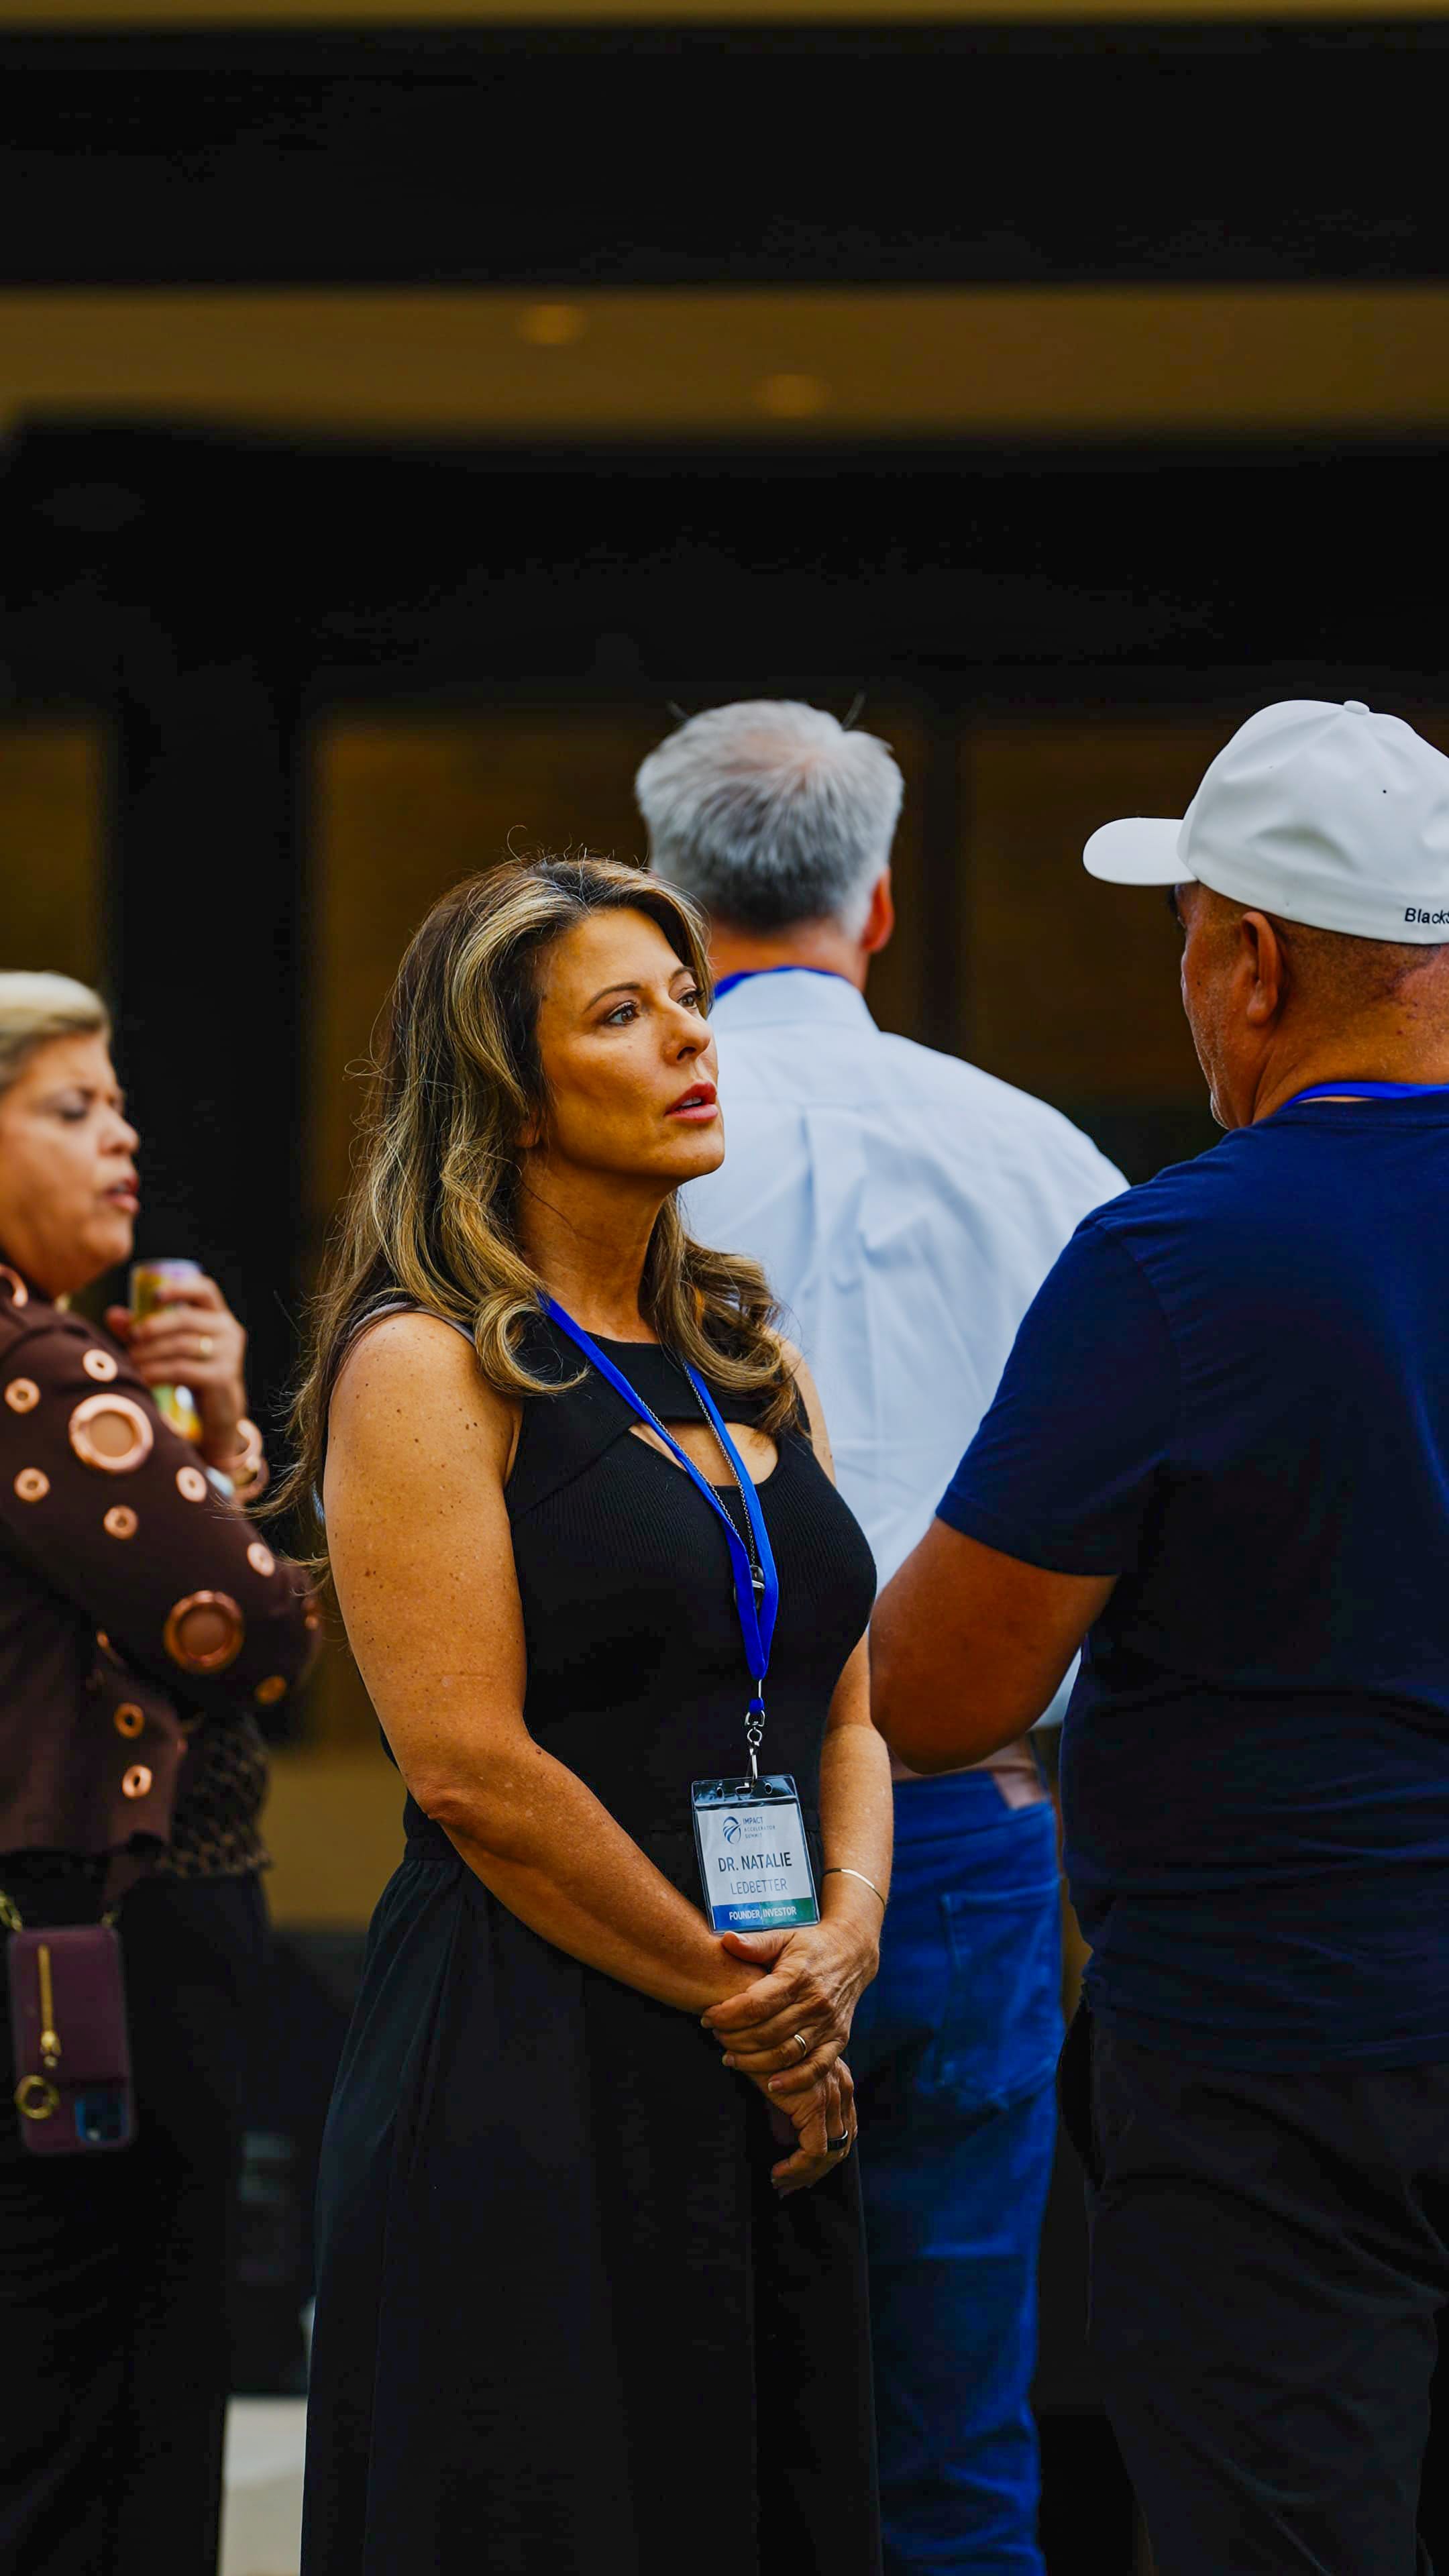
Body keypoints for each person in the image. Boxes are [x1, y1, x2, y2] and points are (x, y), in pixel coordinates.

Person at [873, 697, 1449, 2576]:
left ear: (1255, 962)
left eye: (1189, 940)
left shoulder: (1186, 1257)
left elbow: (939, 1689)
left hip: (1277, 2062)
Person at [293, 855, 892, 2576]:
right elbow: (472, 1770)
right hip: (532, 2042)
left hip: (775, 2046)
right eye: (620, 1015)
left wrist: (840, 1944)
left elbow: (845, 1715)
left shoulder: (744, 1355)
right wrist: (750, 2000)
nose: (691, 1040)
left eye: (688, 999)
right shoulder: (430, 1363)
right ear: (509, 1086)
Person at [635, 700, 1122, 2575]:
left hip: (656, 1841)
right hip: (967, 1820)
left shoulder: (595, 1154)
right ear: (885, 903)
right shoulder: (1041, 1163)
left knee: (668, 2415)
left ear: (666, 909)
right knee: (951, 2430)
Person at [0, 971, 319, 2576]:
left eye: (119, 1104)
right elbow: (253, 1629)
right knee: (119, 2406)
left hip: (58, 1941)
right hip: (98, 1947)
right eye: (69, 1109)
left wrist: (201, 1429)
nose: (121, 1141)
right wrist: (230, 1456)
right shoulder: (40, 1370)